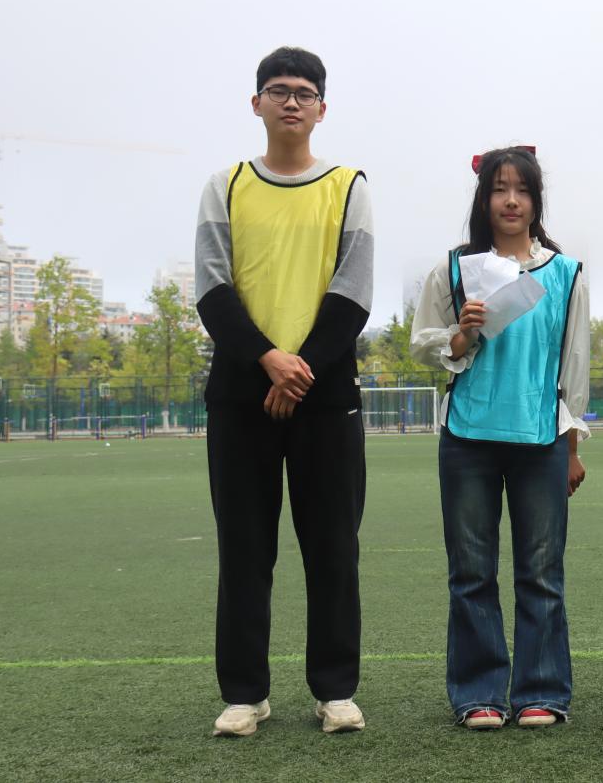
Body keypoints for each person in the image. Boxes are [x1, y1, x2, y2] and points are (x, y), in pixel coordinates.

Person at [194, 46, 373, 737]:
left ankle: (335, 691)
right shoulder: (226, 185)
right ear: (256, 104)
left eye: (303, 92)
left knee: (333, 551)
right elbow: (212, 288)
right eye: (277, 90)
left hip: (325, 399)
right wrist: (269, 360)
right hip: (241, 397)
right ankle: (245, 695)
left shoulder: (349, 186)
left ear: (322, 108)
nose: (290, 101)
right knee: (244, 551)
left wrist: (299, 371)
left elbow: (353, 292)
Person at [411, 146, 590, 730]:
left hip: (541, 439)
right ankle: (479, 693)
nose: (511, 201)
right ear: (483, 198)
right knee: (471, 573)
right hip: (467, 438)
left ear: (536, 200)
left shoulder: (565, 272)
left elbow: (574, 364)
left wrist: (572, 448)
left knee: (542, 573)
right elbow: (423, 346)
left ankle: (542, 691)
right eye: (499, 189)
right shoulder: (454, 269)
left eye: (523, 190)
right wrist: (461, 335)